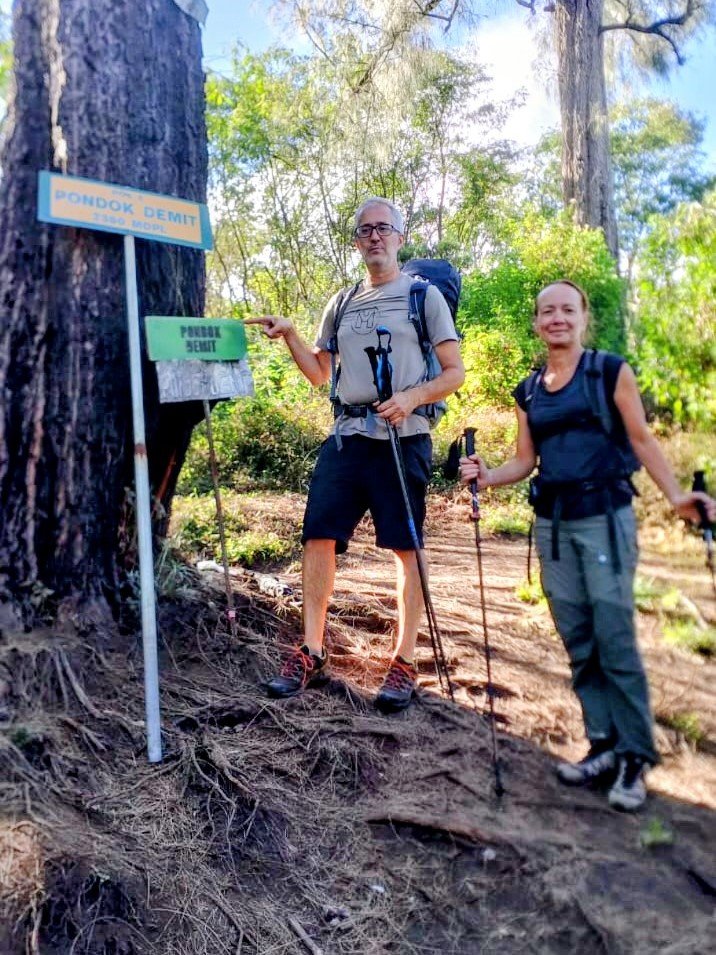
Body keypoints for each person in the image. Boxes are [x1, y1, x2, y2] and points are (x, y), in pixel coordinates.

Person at [460, 279, 716, 811]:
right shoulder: (529, 390)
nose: (557, 318)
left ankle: (634, 758)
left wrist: (675, 497)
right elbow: (524, 460)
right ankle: (602, 743)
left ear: (582, 318)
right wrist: (485, 477)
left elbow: (642, 439)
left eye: (567, 309)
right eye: (547, 311)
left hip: (604, 518)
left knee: (614, 636)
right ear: (536, 323)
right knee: (577, 636)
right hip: (552, 524)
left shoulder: (608, 372)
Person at [247, 198, 464, 712]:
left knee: (405, 547)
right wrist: (293, 336)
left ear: (399, 236)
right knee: (318, 536)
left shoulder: (422, 296)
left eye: (383, 229)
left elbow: (454, 373)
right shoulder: (342, 301)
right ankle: (312, 649)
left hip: (403, 437)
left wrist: (411, 397)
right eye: (365, 230)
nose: (374, 237)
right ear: (355, 240)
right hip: (347, 438)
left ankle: (405, 660)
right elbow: (321, 373)